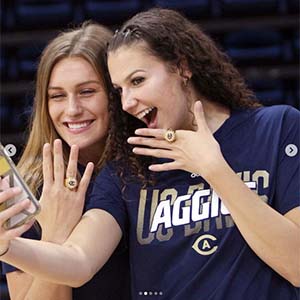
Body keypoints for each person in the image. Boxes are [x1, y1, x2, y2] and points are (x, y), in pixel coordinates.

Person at [0, 7, 299, 300]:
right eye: (119, 90)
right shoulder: (128, 167)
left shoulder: (278, 128)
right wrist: (6, 247)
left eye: (138, 81)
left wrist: (215, 170)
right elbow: (78, 261)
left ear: (182, 66)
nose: (127, 102)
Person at [0, 22, 130, 300]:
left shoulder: (145, 168)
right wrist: (55, 234)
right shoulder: (21, 188)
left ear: (115, 94)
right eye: (57, 96)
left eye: (86, 92)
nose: (72, 110)